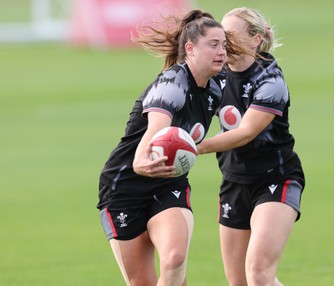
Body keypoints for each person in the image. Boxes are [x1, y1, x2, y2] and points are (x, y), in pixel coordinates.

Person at [96, 10, 246, 286]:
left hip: (168, 184)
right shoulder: (171, 85)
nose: (221, 52)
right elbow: (155, 131)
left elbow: (247, 81)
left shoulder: (217, 83)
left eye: (223, 45)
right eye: (213, 45)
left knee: (174, 258)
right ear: (190, 49)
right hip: (124, 187)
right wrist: (141, 161)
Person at [197, 7, 306, 286]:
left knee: (258, 273)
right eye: (221, 36)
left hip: (276, 179)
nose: (223, 43)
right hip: (234, 182)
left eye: (231, 35)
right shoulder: (215, 76)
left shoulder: (271, 80)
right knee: (240, 282)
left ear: (256, 39)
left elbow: (246, 133)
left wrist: (193, 147)